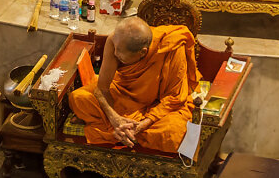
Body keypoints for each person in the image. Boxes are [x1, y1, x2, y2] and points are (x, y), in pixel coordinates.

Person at [67, 17, 201, 152]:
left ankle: (122, 132)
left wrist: (143, 124)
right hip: (123, 92)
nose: (115, 54)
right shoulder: (115, 40)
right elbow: (102, 89)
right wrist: (115, 119)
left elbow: (174, 97)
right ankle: (122, 131)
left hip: (158, 105)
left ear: (142, 52)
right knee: (78, 98)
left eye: (120, 54)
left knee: (175, 132)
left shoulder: (172, 46)